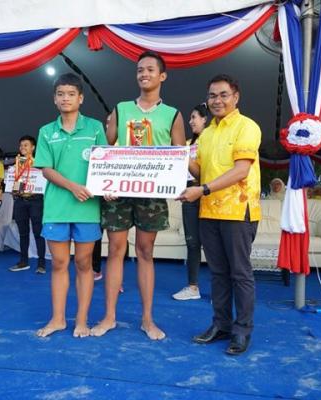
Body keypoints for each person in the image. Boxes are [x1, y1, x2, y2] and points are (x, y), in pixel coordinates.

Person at [91, 51, 186, 340]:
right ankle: (109, 317)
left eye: (150, 69)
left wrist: (178, 182)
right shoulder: (120, 109)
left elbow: (179, 155)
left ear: (162, 76)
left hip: (151, 194)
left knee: (145, 252)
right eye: (140, 70)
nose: (144, 74)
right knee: (115, 251)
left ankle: (147, 319)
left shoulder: (173, 114)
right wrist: (103, 182)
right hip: (119, 192)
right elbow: (104, 148)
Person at [178, 74, 261, 355]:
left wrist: (202, 190)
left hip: (238, 210)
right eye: (212, 96)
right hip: (209, 210)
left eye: (223, 95)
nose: (217, 100)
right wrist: (178, 156)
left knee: (240, 273)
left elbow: (241, 170)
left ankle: (242, 331)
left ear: (236, 97)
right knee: (217, 273)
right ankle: (221, 325)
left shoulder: (246, 126)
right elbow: (201, 171)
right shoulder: (207, 134)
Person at [34, 73, 107, 338]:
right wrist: (72, 187)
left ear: (81, 98)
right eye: (61, 94)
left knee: (85, 264)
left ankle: (82, 321)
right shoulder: (46, 131)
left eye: (71, 94)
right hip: (56, 208)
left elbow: (106, 164)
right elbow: (46, 169)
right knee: (59, 263)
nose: (66, 98)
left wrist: (107, 188)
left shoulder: (95, 128)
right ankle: (58, 320)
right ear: (55, 99)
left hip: (87, 209)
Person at [172, 104, 208, 301]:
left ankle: (222, 289)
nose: (190, 121)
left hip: (208, 195)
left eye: (194, 117)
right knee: (192, 243)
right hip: (188, 196)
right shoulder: (186, 143)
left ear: (205, 119)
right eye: (190, 117)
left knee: (213, 244)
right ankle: (193, 287)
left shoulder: (211, 140)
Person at [9, 135, 46, 274]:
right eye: (21, 145)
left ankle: (41, 264)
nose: (22, 147)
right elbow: (15, 184)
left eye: (26, 145)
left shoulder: (40, 164)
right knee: (22, 233)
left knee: (38, 233)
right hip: (20, 201)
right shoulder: (17, 165)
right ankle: (23, 261)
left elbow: (44, 182)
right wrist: (13, 188)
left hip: (36, 200)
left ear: (33, 147)